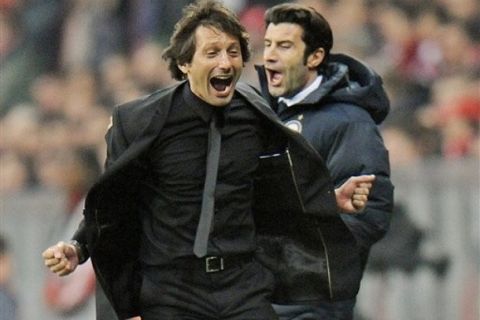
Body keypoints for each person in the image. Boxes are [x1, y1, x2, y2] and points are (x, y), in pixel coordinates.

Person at [42, 1, 375, 319]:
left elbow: (273, 188)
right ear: (185, 64)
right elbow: (116, 200)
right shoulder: (143, 122)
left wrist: (330, 200)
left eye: (233, 52)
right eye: (212, 52)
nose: (225, 62)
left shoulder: (256, 115)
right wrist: (79, 247)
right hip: (173, 290)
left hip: (240, 284)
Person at [255, 3, 394, 320]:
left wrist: (298, 267)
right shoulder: (263, 117)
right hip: (261, 303)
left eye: (285, 46)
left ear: (315, 57)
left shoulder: (348, 121)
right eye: (267, 45)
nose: (270, 56)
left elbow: (368, 211)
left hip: (312, 308)